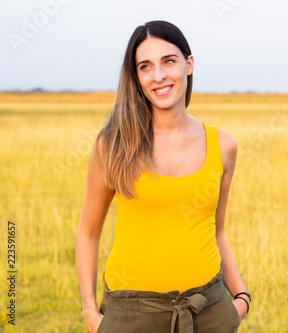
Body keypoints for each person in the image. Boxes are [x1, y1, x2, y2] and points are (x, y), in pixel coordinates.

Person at [75, 20, 251, 333]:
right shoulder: (114, 144)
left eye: (168, 61)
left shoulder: (223, 145)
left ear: (189, 64)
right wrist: (90, 312)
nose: (158, 76)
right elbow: (88, 233)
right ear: (137, 77)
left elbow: (217, 230)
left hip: (207, 311)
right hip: (131, 315)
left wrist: (240, 299)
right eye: (145, 66)